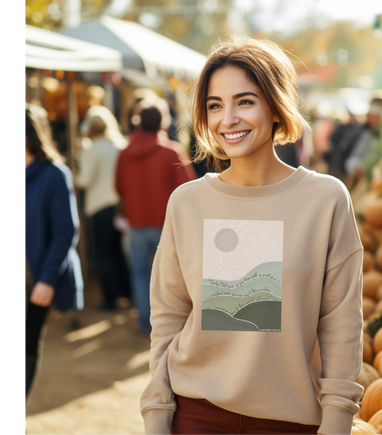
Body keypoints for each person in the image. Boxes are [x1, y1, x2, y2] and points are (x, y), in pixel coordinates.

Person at [140, 35, 364, 435]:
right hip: (195, 414)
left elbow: (341, 322)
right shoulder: (187, 202)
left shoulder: (326, 199)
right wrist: (157, 413)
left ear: (276, 106)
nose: (228, 119)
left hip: (292, 420)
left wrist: (338, 420)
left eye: (245, 101)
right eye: (215, 105)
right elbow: (169, 315)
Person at [22, 103, 83, 411]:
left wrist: (46, 280)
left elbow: (66, 232)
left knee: (26, 344)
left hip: (36, 278)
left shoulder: (55, 175)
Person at [115, 106, 196, 334]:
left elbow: (119, 187)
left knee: (139, 274)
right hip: (166, 225)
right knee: (168, 279)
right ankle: (165, 326)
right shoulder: (172, 152)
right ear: (163, 122)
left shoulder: (125, 152)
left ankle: (145, 322)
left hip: (136, 223)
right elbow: (187, 189)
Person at [75, 108, 131, 310]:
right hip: (119, 206)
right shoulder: (120, 146)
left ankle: (110, 299)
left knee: (102, 254)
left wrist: (75, 172)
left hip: (99, 207)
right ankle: (127, 293)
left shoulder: (92, 150)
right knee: (118, 253)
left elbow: (84, 180)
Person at [326, 97, 382, 186]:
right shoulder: (358, 132)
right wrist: (355, 168)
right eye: (372, 116)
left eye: (378, 117)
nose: (374, 120)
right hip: (358, 182)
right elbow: (346, 156)